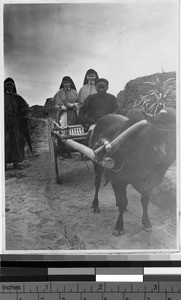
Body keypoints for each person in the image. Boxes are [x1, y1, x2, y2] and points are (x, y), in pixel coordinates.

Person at [4, 77, 31, 170]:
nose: (9, 87)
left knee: (17, 142)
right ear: (4, 86)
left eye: (11, 85)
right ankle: (3, 165)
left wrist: (24, 115)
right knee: (5, 142)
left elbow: (26, 107)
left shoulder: (18, 97)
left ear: (13, 86)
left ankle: (16, 163)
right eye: (7, 85)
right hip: (5, 123)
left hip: (16, 123)